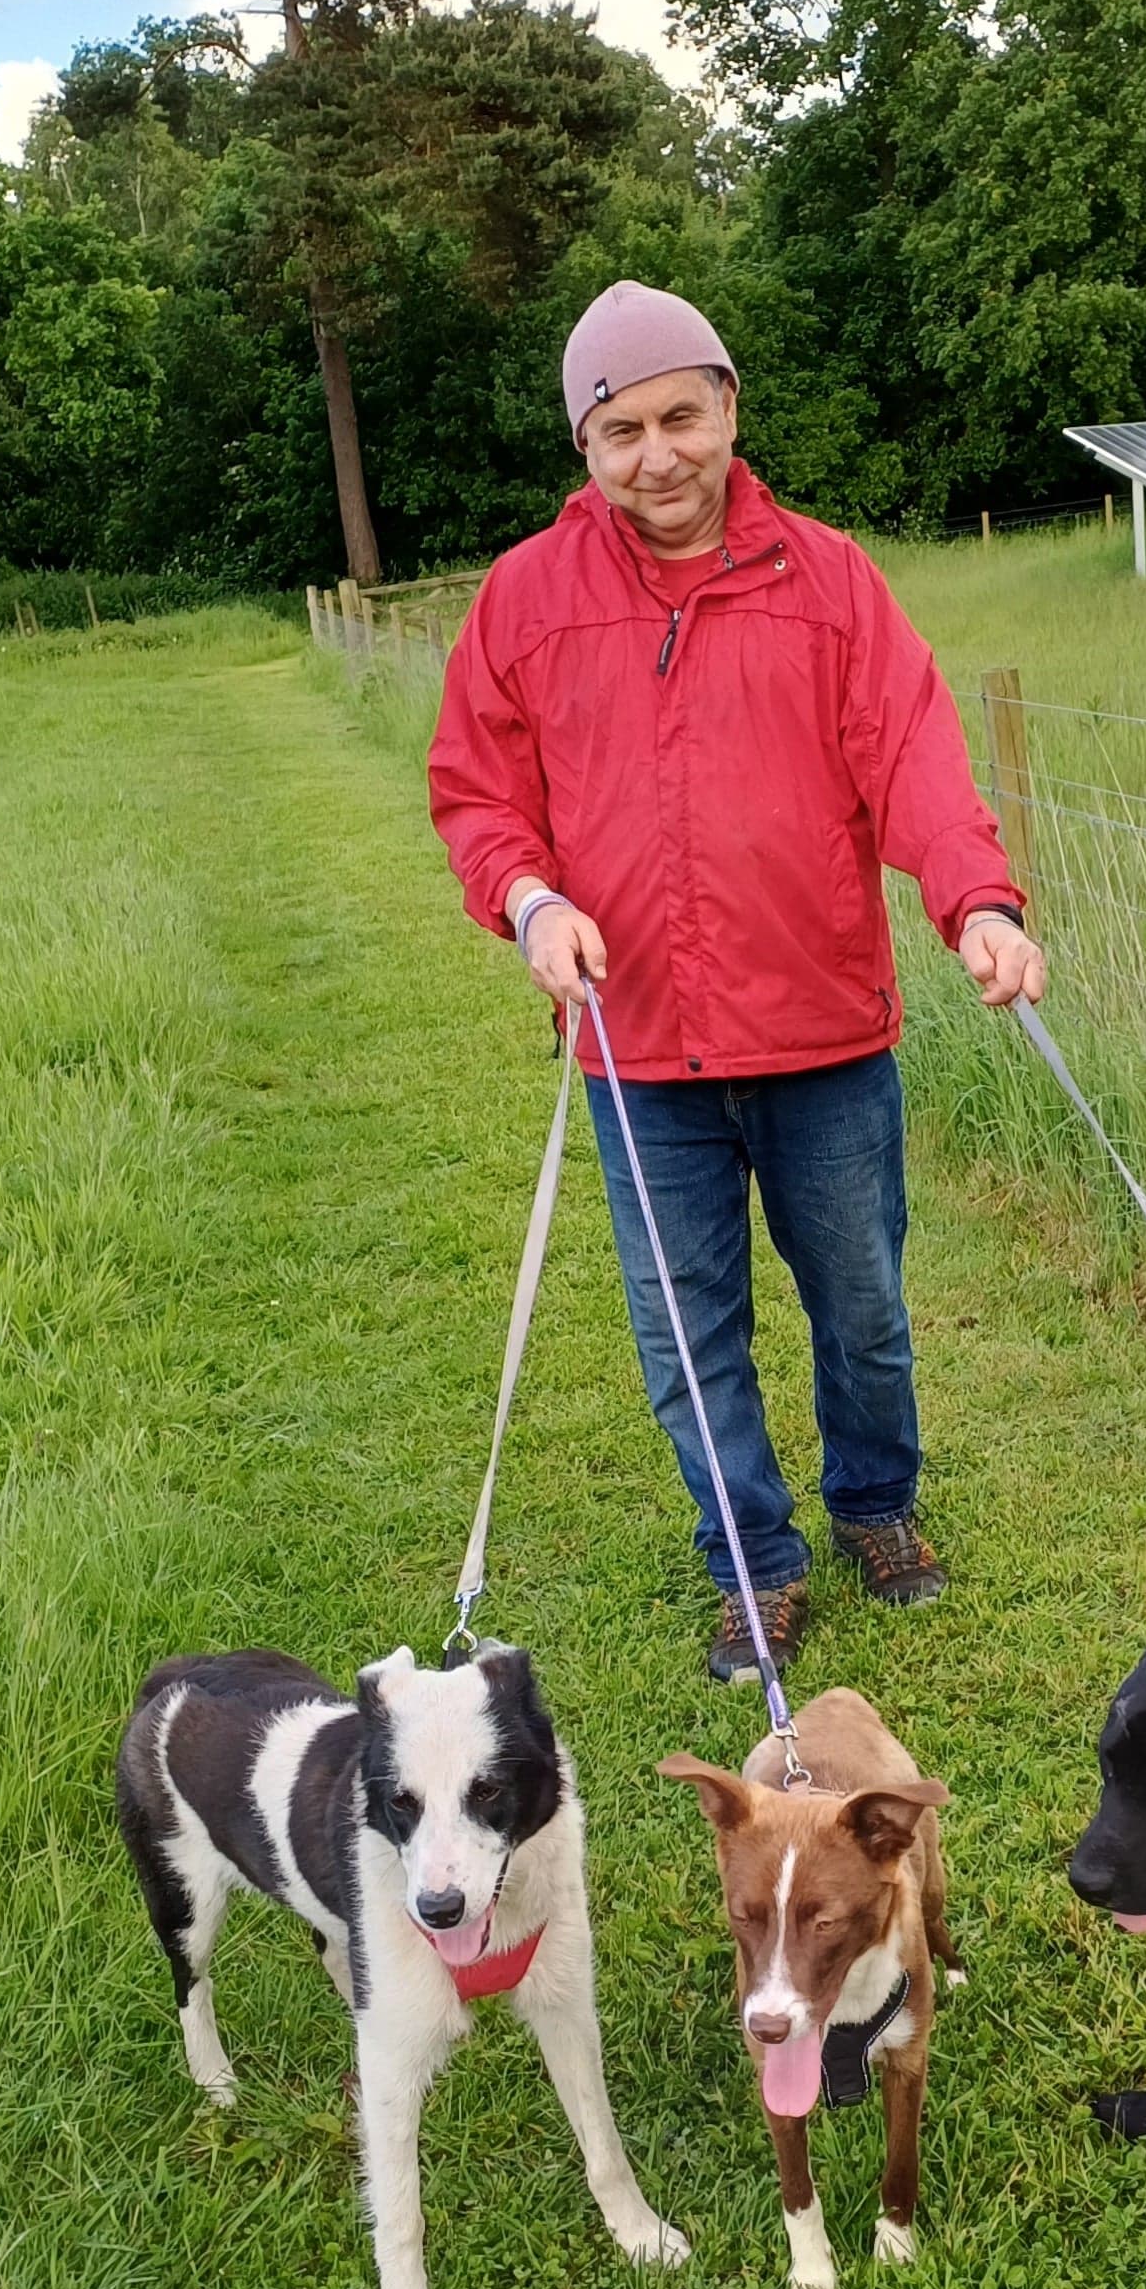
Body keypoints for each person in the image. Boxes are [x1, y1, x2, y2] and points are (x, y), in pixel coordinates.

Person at [428, 280, 1048, 1682]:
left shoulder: (830, 581)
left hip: (825, 1037)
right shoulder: (526, 599)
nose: (658, 456)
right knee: (687, 1338)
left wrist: (979, 902)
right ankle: (754, 1565)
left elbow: (915, 759)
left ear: (727, 410)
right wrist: (531, 902)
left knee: (864, 1311)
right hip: (639, 1052)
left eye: (681, 418)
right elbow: (478, 795)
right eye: (623, 431)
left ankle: (876, 1505)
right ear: (586, 446)